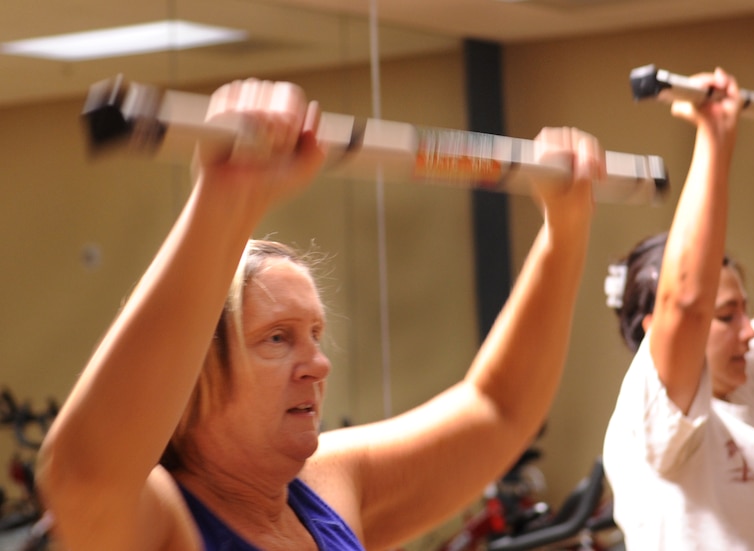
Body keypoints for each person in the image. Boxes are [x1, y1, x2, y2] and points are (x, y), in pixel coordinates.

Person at [35, 79, 604, 551]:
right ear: (191, 376)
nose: (317, 364)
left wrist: (565, 232)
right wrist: (224, 197)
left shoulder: (328, 486)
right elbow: (80, 477)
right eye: (278, 338)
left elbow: (498, 409)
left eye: (315, 334)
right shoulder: (162, 519)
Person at [602, 68, 754, 550]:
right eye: (727, 315)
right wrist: (713, 137)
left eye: (745, 311)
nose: (751, 331)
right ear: (658, 330)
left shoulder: (741, 387)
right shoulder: (661, 419)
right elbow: (688, 302)